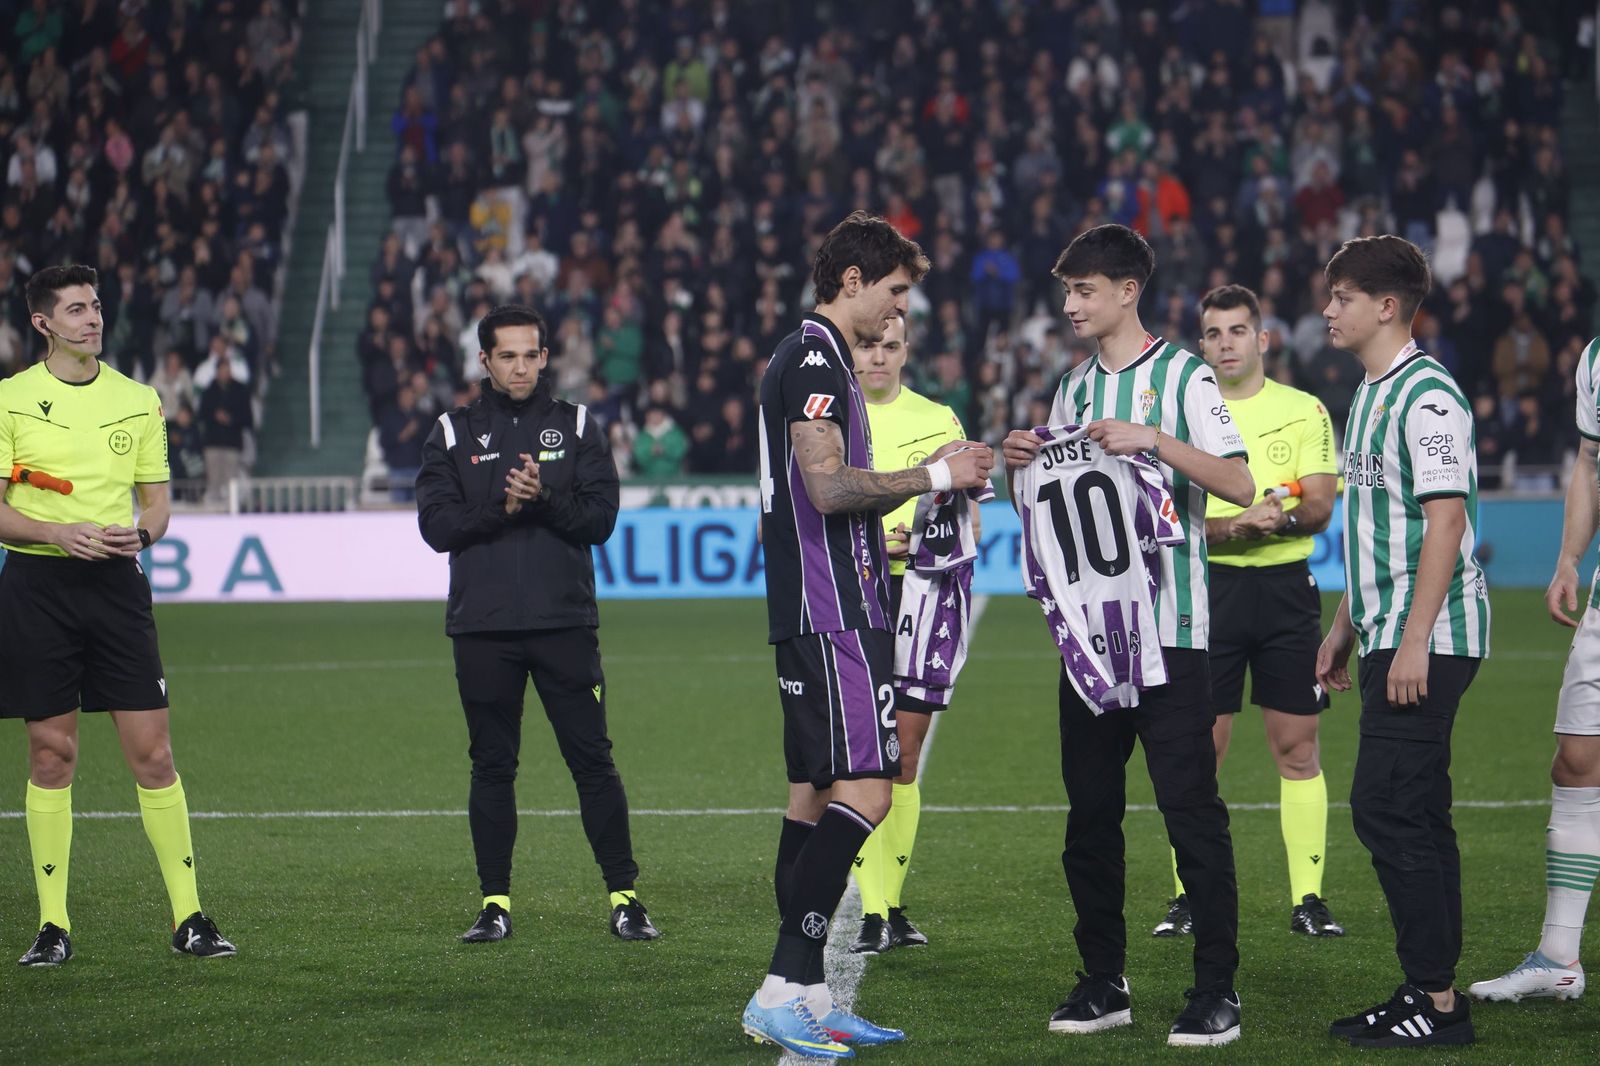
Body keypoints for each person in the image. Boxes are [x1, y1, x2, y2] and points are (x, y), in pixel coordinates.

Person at [742, 212, 994, 1057]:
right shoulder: (814, 355)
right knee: (871, 792)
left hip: (819, 610)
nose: (895, 314)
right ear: (852, 280)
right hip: (835, 611)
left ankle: (809, 991)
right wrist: (934, 474)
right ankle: (782, 984)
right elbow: (823, 486)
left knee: (812, 798)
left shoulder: (818, 357)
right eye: (891, 293)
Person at [1002, 224, 1253, 1048]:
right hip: (1090, 642)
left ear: (1126, 292)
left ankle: (1217, 989)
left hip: (1171, 635)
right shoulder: (1071, 390)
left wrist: (1154, 440)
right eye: (1067, 291)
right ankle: (1102, 980)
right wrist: (1018, 470)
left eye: (1083, 290)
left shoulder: (1184, 375)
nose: (1070, 304)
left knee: (1192, 815)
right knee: (1091, 817)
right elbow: (1053, 514)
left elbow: (1238, 482)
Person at [2, 264, 235, 965]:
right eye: (75, 310)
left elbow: (157, 502)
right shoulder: (11, 399)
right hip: (38, 587)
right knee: (52, 755)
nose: (91, 319)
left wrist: (145, 531)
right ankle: (52, 926)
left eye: (96, 306)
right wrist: (52, 533)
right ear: (43, 324)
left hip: (115, 586)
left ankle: (190, 918)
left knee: (154, 755)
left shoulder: (138, 400)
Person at [414, 304, 660, 946]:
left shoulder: (578, 427)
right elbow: (436, 529)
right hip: (483, 629)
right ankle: (495, 903)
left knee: (593, 763)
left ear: (545, 357)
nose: (520, 366)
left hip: (563, 625)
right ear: (485, 361)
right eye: (507, 356)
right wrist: (503, 503)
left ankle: (626, 898)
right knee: (492, 766)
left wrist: (544, 498)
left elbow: (600, 520)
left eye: (531, 355)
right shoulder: (450, 431)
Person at [1315, 235, 1491, 1049]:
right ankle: (1435, 992)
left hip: (1433, 635)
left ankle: (1435, 995)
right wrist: (1347, 627)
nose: (1328, 310)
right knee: (1417, 810)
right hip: (1395, 630)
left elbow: (1445, 521)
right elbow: (1379, 530)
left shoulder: (1425, 396)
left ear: (1387, 306)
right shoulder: (1374, 394)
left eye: (1341, 296)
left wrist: (1415, 637)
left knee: (1384, 808)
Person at [1152, 284, 1344, 940]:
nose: (1227, 343)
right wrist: (1240, 528)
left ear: (1262, 339)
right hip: (1207, 593)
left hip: (1288, 593)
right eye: (1214, 333)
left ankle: (1309, 899)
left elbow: (1320, 501)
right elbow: (1167, 520)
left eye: (1238, 331)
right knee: (1200, 751)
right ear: (1200, 346)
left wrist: (1275, 518)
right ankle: (1186, 898)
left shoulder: (1303, 409)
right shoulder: (1181, 421)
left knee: (1298, 745)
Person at [1468, 333, 1600, 1004]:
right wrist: (1570, 557)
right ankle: (1558, 957)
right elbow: (1589, 461)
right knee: (1577, 761)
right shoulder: (1596, 359)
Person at [847, 311, 981, 955]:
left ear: (906, 352)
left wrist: (928, 535)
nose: (877, 357)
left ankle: (890, 907)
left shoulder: (940, 419)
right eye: (868, 345)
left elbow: (967, 506)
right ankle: (873, 911)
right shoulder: (831, 417)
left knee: (904, 752)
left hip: (922, 591)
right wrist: (876, 535)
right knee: (858, 752)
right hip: (855, 592)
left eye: (889, 347)